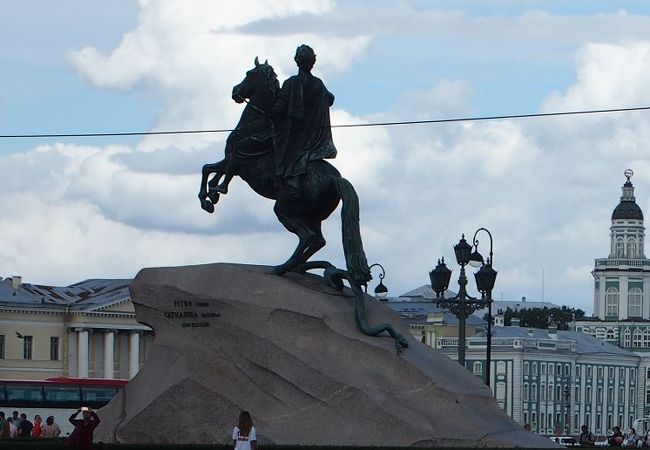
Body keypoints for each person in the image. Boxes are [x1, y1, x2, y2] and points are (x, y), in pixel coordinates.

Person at [269, 44, 337, 199]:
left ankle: (289, 180)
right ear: (312, 62)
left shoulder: (292, 83)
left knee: (278, 149)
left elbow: (278, 109)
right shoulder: (318, 84)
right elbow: (331, 99)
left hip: (299, 139)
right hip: (318, 140)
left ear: (296, 61)